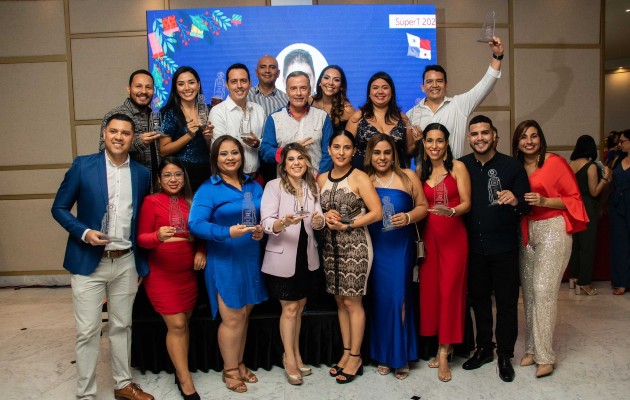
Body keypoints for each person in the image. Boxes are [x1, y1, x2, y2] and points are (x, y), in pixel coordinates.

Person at [51, 113, 153, 400]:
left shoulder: (142, 174)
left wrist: (141, 262)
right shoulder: (83, 166)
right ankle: (86, 393)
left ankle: (123, 384)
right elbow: (59, 208)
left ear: (133, 139)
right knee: (87, 331)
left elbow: (140, 220)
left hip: (125, 261)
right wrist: (84, 233)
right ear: (104, 134)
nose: (119, 137)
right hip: (87, 261)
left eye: (125, 133)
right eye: (114, 132)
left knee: (122, 326)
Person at [188, 136, 268, 393]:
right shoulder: (208, 189)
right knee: (232, 317)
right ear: (215, 159)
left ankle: (240, 362)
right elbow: (195, 224)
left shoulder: (253, 185)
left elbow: (264, 216)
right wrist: (226, 232)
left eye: (235, 152)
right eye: (224, 154)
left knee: (244, 314)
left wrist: (260, 232)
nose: (230, 157)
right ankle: (230, 369)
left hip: (250, 257)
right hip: (224, 259)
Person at [512, 120, 588, 378]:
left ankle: (546, 356)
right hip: (526, 230)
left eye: (534, 136)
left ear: (541, 139)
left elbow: (574, 199)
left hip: (553, 228)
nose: (529, 141)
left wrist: (545, 200)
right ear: (517, 142)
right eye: (524, 137)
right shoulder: (516, 168)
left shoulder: (555, 163)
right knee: (530, 293)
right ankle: (532, 349)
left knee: (544, 290)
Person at [459, 115, 530, 382]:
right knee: (478, 302)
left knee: (507, 303)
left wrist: (516, 200)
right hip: (474, 247)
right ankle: (484, 349)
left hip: (504, 247)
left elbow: (526, 205)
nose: (480, 138)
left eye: (484, 133)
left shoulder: (512, 167)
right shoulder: (462, 166)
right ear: (469, 137)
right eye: (475, 134)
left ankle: (505, 354)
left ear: (494, 135)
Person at [137, 157, 206, 399]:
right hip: (161, 274)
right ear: (159, 179)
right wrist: (156, 236)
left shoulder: (192, 202)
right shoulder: (151, 201)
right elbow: (141, 239)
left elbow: (200, 235)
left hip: (187, 274)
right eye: (167, 175)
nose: (173, 179)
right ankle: (185, 380)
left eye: (177, 174)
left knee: (183, 323)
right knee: (176, 325)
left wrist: (200, 250)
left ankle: (180, 369)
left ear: (184, 177)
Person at [318, 130, 382, 384]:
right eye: (336, 147)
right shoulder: (321, 178)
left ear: (353, 151)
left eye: (346, 147)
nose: (341, 152)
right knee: (340, 302)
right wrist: (325, 217)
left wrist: (348, 225)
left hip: (355, 247)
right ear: (329, 150)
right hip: (330, 248)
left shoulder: (359, 177)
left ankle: (356, 356)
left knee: (353, 303)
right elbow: (315, 212)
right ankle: (345, 353)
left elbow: (376, 212)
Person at [260, 143, 326, 385]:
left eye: (301, 158)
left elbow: (317, 222)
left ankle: (296, 353)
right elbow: (266, 222)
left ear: (306, 162)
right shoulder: (273, 186)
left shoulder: (312, 186)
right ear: (284, 164)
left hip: (306, 256)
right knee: (289, 309)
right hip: (282, 255)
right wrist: (283, 222)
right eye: (291, 159)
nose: (296, 163)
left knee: (300, 307)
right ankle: (289, 358)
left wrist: (320, 221)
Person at [364, 134, 428, 380]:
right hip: (375, 246)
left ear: (394, 154)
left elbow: (423, 206)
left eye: (387, 152)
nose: (382, 158)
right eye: (377, 153)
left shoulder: (407, 176)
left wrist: (409, 217)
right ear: (371, 154)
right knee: (381, 301)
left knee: (399, 297)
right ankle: (383, 353)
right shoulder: (365, 179)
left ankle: (399, 354)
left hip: (401, 245)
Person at [417, 123, 471, 383]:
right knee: (433, 293)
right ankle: (440, 344)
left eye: (439, 141)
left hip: (453, 237)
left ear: (447, 143)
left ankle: (444, 351)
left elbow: (467, 202)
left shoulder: (457, 167)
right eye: (430, 141)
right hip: (430, 239)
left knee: (450, 292)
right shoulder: (420, 170)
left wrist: (450, 211)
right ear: (424, 143)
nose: (434, 146)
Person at [406, 36, 505, 159]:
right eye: (430, 82)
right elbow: (408, 151)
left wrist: (497, 57)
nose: (435, 85)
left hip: (454, 174)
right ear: (422, 87)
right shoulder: (412, 114)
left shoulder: (458, 104)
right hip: (424, 176)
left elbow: (485, 86)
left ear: (446, 85)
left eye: (439, 81)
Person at [99, 69, 161, 192]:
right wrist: (138, 142)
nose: (143, 91)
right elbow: (103, 151)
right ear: (129, 89)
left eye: (148, 87)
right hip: (127, 186)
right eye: (138, 86)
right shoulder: (116, 115)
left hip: (154, 188)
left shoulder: (155, 116)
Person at [261, 71, 333, 174]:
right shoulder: (274, 118)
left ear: (309, 90)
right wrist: (288, 150)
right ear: (286, 91)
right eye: (293, 88)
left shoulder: (322, 117)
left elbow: (329, 153)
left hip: (317, 184)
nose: (298, 93)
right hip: (285, 184)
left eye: (303, 88)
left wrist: (320, 179)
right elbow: (265, 152)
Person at [158, 66, 214, 192]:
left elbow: (213, 149)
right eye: (181, 84)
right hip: (180, 177)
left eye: (191, 82)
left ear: (198, 85)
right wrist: (189, 135)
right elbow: (163, 150)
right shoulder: (169, 113)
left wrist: (208, 139)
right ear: (175, 88)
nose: (187, 88)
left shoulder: (209, 110)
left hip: (206, 173)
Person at [346, 72, 418, 170]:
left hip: (395, 176)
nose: (380, 91)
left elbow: (409, 152)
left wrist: (417, 142)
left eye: (385, 87)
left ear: (392, 92)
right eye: (375, 88)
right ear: (369, 93)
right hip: (362, 175)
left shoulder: (403, 119)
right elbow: (345, 147)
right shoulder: (358, 117)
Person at [568, 135, 611, 295]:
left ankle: (574, 277)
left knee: (576, 244)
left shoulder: (571, 164)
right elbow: (594, 191)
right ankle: (584, 282)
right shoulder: (591, 166)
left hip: (574, 205)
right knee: (587, 246)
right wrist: (605, 179)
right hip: (587, 205)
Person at [210, 63, 266, 184]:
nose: (239, 86)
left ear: (250, 83)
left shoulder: (259, 110)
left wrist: (257, 143)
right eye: (234, 81)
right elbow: (218, 149)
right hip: (229, 181)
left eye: (243, 81)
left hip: (256, 178)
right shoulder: (218, 111)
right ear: (227, 85)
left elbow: (267, 143)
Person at [248, 55, 290, 184]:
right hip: (249, 155)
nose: (267, 71)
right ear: (256, 72)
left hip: (275, 159)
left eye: (272, 67)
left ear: (278, 73)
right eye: (263, 67)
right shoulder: (245, 96)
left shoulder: (287, 99)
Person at [609, 129, 630, 295]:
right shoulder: (618, 158)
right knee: (619, 243)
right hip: (617, 204)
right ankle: (621, 281)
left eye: (623, 141)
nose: (620, 144)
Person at [310, 65, 355, 134]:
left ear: (341, 86)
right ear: (320, 82)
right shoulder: (309, 102)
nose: (330, 83)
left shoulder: (347, 110)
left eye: (336, 80)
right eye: (326, 78)